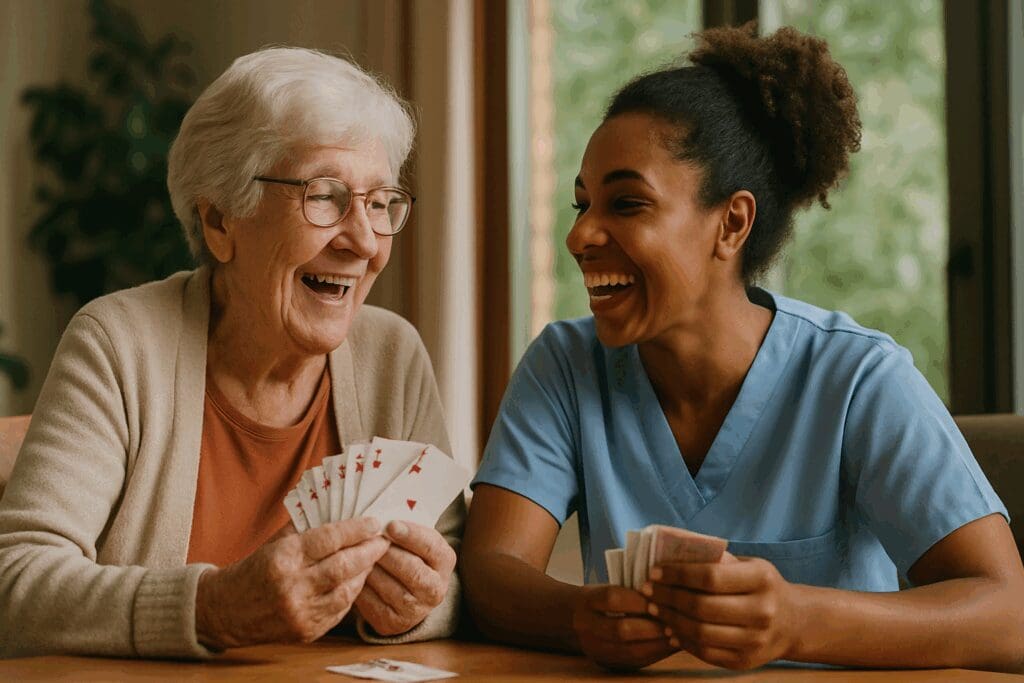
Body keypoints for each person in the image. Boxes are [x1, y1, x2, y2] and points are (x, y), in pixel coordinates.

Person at [462, 24, 1024, 672]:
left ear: (731, 222)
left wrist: (795, 620)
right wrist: (577, 617)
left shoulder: (860, 378)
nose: (581, 235)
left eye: (627, 203)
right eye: (582, 204)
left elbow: (1009, 615)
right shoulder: (565, 364)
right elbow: (490, 572)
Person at [0, 47, 463, 658]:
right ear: (220, 221)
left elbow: (457, 578)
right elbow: (16, 585)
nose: (363, 242)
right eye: (324, 196)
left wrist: (415, 606)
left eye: (380, 203)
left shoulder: (393, 356)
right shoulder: (117, 343)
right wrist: (212, 609)